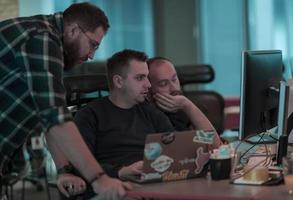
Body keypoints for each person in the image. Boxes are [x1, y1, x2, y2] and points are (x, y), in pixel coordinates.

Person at [0, 3, 131, 200]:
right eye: (93, 44)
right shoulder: (42, 38)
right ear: (73, 30)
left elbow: (46, 113)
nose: (91, 55)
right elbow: (55, 117)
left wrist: (64, 170)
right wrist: (99, 179)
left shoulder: (43, 39)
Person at [57, 49, 175, 199]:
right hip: (111, 188)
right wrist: (121, 171)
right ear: (118, 81)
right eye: (140, 78)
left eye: (147, 77)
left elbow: (174, 149)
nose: (148, 85)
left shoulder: (151, 113)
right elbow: (80, 166)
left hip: (151, 186)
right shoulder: (89, 116)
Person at [147, 57, 222, 148]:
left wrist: (188, 106)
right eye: (163, 84)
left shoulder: (188, 109)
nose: (174, 88)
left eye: (174, 79)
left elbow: (215, 146)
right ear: (149, 90)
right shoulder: (147, 119)